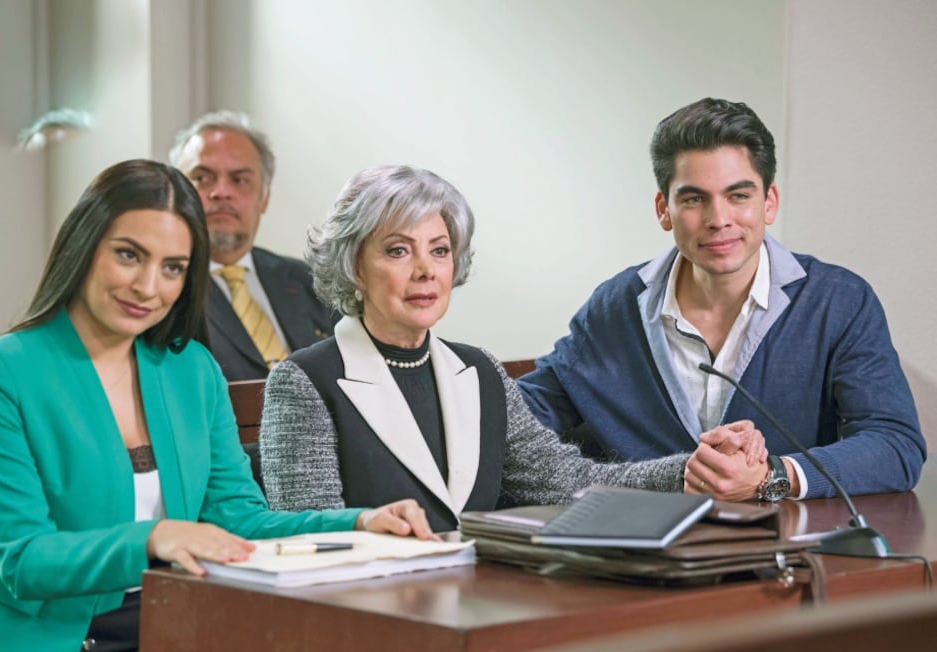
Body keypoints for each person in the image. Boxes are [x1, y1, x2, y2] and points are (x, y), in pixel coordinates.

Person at [0, 160, 432, 652]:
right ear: (83, 245)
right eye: (129, 255)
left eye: (172, 267)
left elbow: (237, 520)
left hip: (170, 632)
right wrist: (154, 537)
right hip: (36, 647)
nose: (149, 287)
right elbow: (22, 559)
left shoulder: (191, 368)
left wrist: (359, 523)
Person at [259, 165, 766, 533]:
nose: (425, 271)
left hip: (477, 603)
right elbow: (305, 534)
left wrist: (689, 471)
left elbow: (567, 483)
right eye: (398, 250)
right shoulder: (306, 381)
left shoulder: (478, 371)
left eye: (439, 250)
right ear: (354, 267)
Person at [517, 97, 926, 502]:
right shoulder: (616, 306)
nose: (718, 219)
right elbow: (524, 413)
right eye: (694, 199)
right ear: (664, 209)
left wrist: (772, 476)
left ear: (769, 203)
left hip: (785, 551)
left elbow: (894, 445)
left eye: (739, 196)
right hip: (639, 553)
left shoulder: (839, 302)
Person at [169, 110, 336, 381]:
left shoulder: (311, 280)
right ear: (176, 193)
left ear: (265, 197)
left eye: (239, 180)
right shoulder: (160, 289)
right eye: (202, 178)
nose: (221, 191)